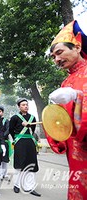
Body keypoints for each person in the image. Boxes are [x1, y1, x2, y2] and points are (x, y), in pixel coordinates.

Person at [47, 18, 87, 199]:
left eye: (60, 52)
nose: (57, 59)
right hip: (75, 152)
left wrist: (78, 97)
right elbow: (62, 121)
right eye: (53, 57)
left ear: (77, 47)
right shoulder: (65, 82)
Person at [9, 98, 41, 197]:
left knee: (31, 164)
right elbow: (11, 130)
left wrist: (28, 126)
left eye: (26, 105)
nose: (25, 106)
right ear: (19, 106)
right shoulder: (15, 118)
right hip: (19, 143)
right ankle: (16, 185)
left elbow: (33, 130)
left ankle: (29, 187)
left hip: (30, 143)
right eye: (23, 105)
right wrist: (16, 139)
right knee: (19, 164)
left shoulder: (32, 118)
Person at [0, 106, 11, 180]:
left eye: (0, 111)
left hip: (4, 141)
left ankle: (5, 174)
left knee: (5, 159)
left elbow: (8, 130)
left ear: (2, 112)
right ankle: (0, 174)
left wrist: (1, 137)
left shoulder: (6, 121)